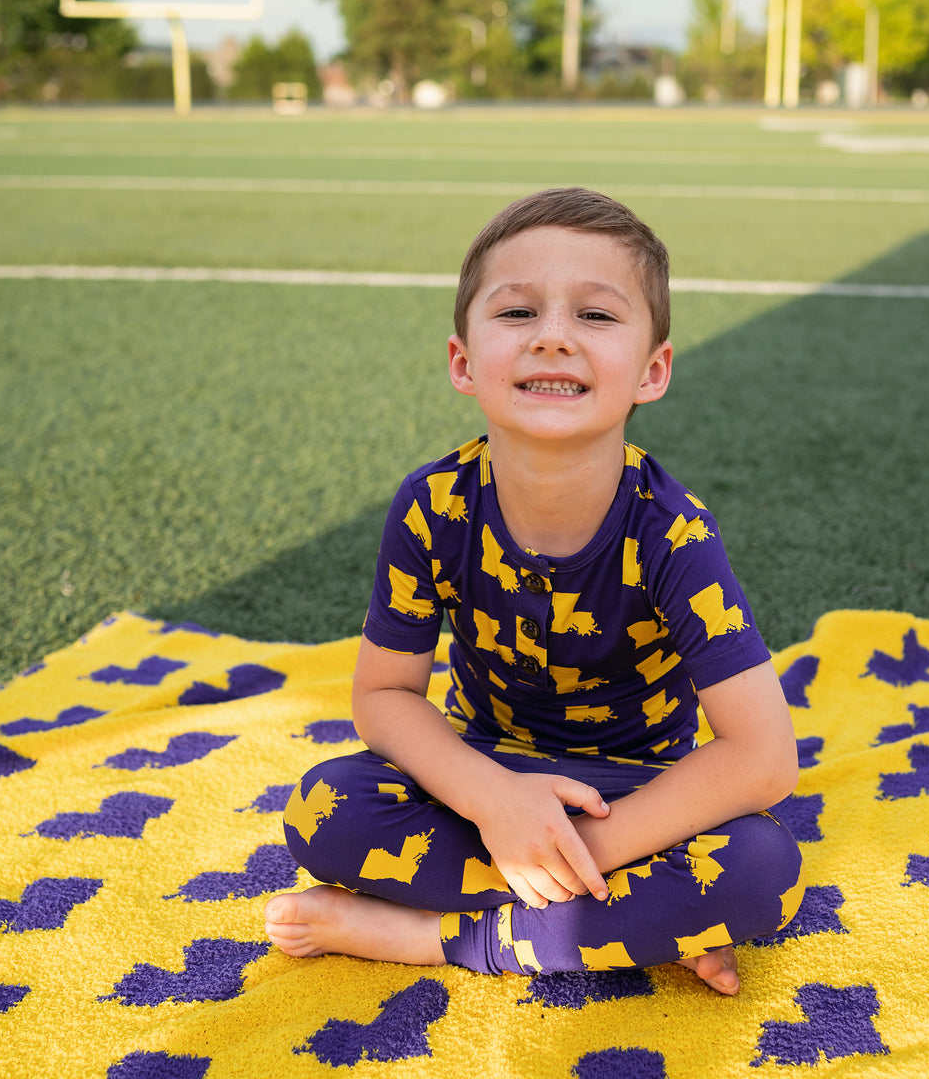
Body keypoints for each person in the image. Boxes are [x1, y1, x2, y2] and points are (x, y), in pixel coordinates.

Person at [264, 187, 803, 996]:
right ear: (464, 362)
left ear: (651, 372)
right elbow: (383, 695)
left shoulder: (674, 533)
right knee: (323, 810)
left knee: (766, 869)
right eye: (517, 314)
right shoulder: (433, 505)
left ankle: (428, 939)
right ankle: (632, 926)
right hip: (482, 774)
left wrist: (561, 844)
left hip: (633, 797)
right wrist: (498, 803)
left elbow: (763, 760)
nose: (553, 338)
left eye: (596, 316)